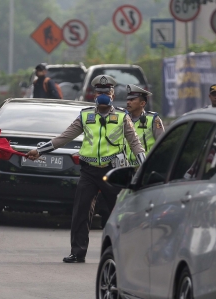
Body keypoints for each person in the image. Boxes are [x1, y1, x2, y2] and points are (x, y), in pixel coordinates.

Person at [26, 75, 146, 263]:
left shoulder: (123, 117)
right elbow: (64, 137)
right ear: (94, 95)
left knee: (116, 213)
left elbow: (135, 144)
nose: (103, 95)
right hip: (88, 171)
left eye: (106, 92)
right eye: (99, 92)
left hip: (112, 171)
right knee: (81, 212)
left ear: (113, 95)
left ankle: (118, 254)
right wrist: (39, 151)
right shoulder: (85, 116)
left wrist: (144, 166)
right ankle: (77, 252)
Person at [125, 84, 164, 165]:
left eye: (132, 100)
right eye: (128, 100)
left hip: (146, 166)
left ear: (142, 103)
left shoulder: (153, 119)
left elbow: (162, 144)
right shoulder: (123, 120)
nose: (128, 102)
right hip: (127, 167)